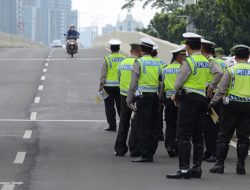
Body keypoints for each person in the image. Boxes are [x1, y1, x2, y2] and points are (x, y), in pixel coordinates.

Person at [167, 32, 211, 179]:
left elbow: (177, 82)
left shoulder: (189, 61)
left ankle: (184, 169)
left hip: (189, 99)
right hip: (202, 98)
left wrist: (175, 93)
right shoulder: (206, 61)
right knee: (198, 134)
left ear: (188, 47)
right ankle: (197, 168)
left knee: (184, 134)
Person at [209, 45, 250, 175]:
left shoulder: (231, 69)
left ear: (236, 57)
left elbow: (221, 89)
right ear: (248, 57)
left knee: (224, 135)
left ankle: (219, 165)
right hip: (248, 106)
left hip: (231, 106)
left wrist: (212, 102)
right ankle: (241, 166)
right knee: (243, 137)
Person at [127, 38, 161, 162]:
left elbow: (133, 82)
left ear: (141, 50)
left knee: (142, 126)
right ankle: (150, 151)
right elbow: (161, 81)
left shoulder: (139, 62)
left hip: (143, 97)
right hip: (155, 96)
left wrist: (129, 99)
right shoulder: (158, 63)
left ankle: (145, 154)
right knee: (153, 125)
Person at [114, 43, 142, 157]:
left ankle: (120, 148)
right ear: (138, 51)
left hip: (123, 95)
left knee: (123, 122)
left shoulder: (122, 63)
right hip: (136, 95)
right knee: (135, 123)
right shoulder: (139, 63)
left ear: (130, 51)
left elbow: (119, 77)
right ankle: (134, 149)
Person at [201, 39, 223, 162]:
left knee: (212, 126)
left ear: (203, 49)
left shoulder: (210, 61)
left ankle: (214, 152)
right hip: (212, 96)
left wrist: (211, 86)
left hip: (212, 96)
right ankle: (210, 150)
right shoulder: (211, 60)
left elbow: (219, 73)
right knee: (208, 126)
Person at [162, 45, 186, 157]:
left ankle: (169, 145)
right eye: (183, 56)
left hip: (168, 99)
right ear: (178, 57)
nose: (185, 58)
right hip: (180, 99)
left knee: (170, 124)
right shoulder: (183, 69)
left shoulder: (165, 68)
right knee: (180, 123)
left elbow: (162, 85)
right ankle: (177, 146)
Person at [99, 39, 126, 131]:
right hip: (120, 87)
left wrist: (101, 86)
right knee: (121, 106)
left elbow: (103, 74)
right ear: (119, 48)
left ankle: (112, 126)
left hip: (108, 86)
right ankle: (123, 125)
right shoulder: (124, 58)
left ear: (110, 49)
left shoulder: (107, 59)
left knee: (109, 107)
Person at [151, 45, 167, 141]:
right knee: (159, 114)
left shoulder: (143, 62)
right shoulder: (163, 63)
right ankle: (159, 134)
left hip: (149, 91)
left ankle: (151, 134)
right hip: (160, 92)